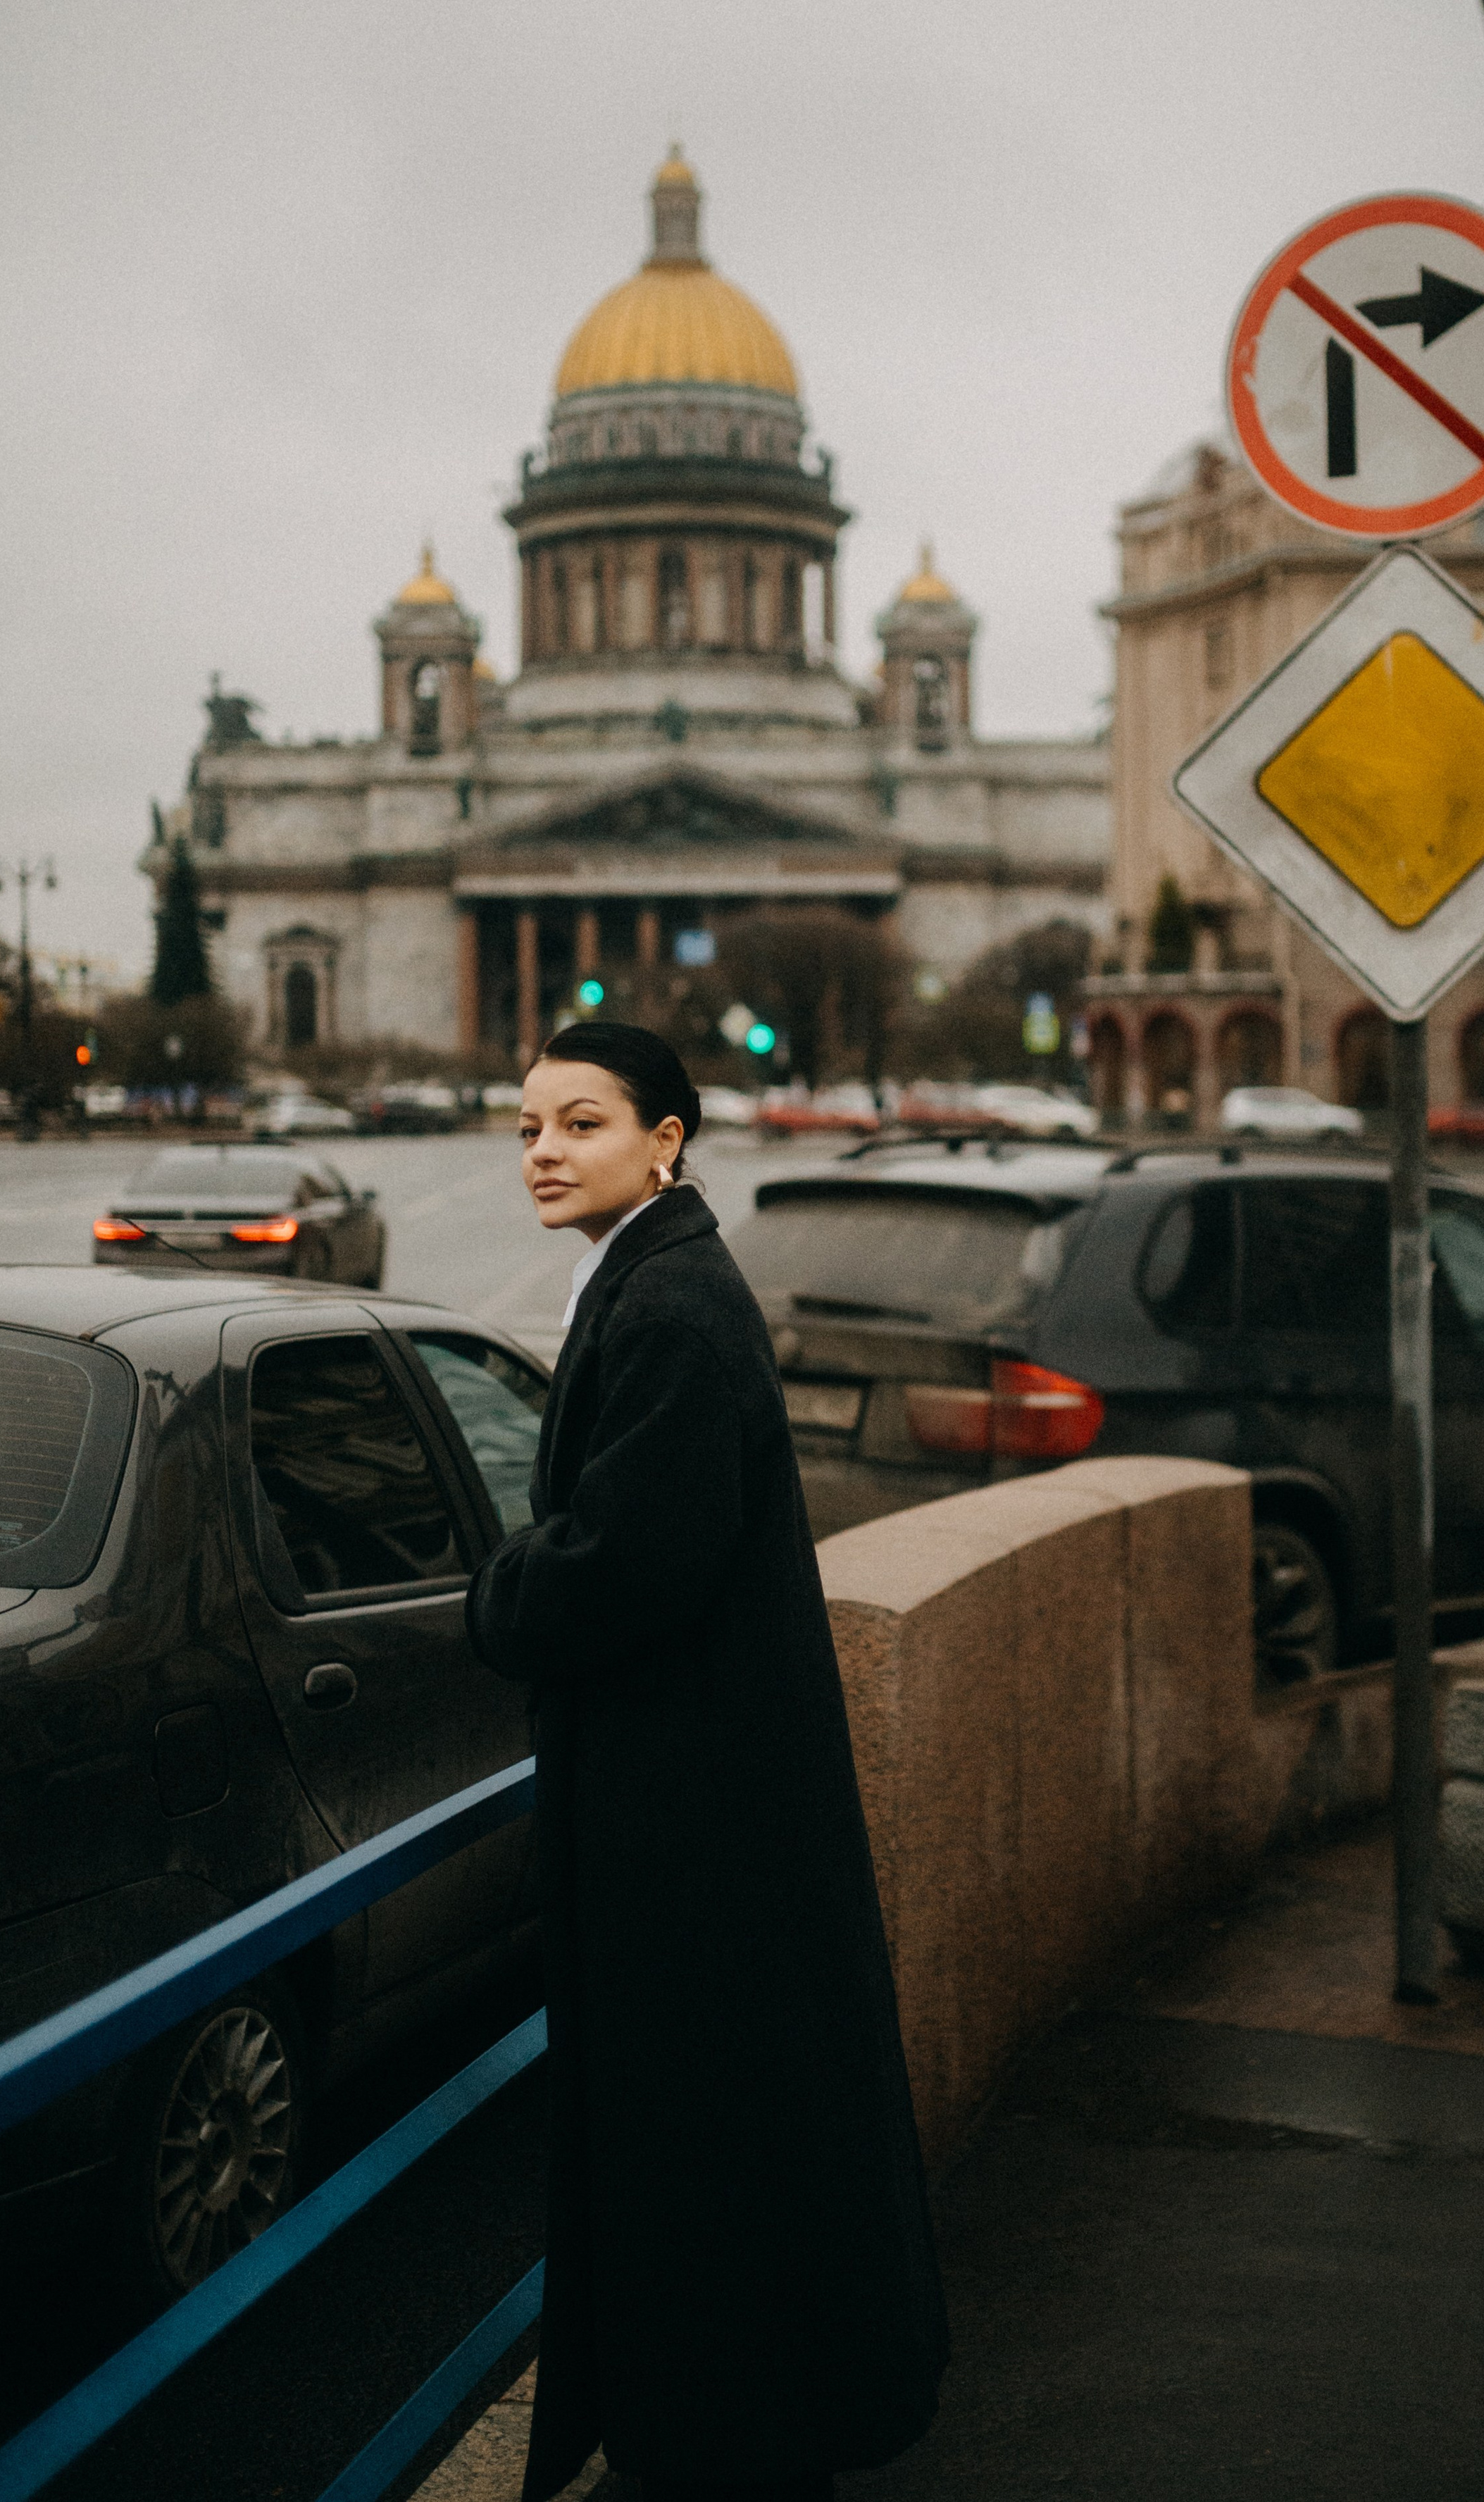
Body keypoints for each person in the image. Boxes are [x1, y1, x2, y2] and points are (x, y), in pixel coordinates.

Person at [466, 1021, 948, 2502]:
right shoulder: (654, 1274)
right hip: (705, 1803)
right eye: (531, 1124)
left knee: (697, 2153)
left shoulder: (667, 1305)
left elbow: (622, 1567)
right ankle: (748, 2415)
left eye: (583, 1123)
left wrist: (498, 1589)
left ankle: (719, 2439)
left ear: (664, 1143)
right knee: (729, 2145)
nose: (544, 1149)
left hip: (688, 1827)